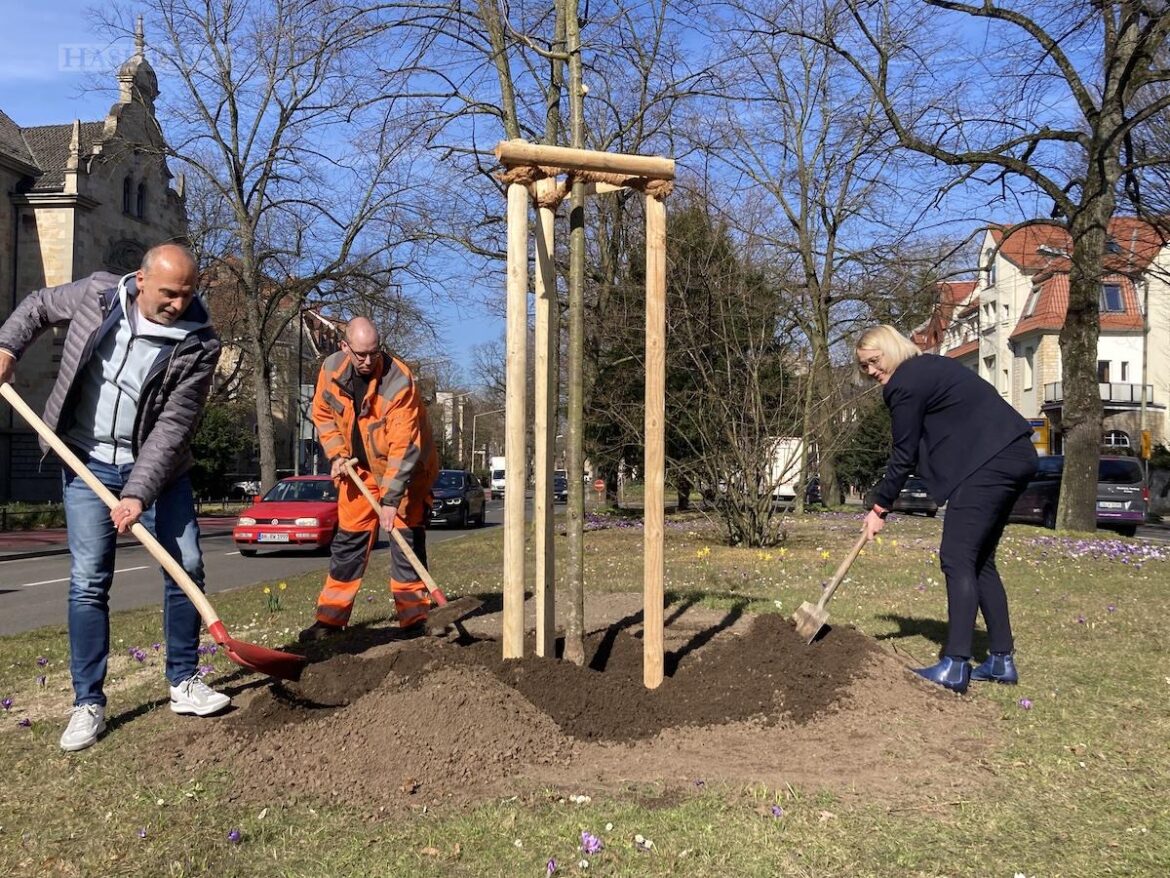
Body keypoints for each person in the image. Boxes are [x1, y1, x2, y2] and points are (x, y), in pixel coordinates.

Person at [0, 243, 230, 751]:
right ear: (141, 281)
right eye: (169, 293)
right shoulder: (98, 295)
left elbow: (173, 428)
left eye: (188, 294)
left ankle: (184, 680)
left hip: (160, 469)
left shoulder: (200, 344)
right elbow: (38, 304)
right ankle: (88, 703)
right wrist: (8, 348)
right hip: (85, 458)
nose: (178, 304)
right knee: (87, 580)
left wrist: (136, 494)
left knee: (186, 563)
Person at [857, 325, 1038, 693]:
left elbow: (904, 454)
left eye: (875, 361)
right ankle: (1001, 660)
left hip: (990, 462)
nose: (872, 371)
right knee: (979, 559)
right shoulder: (932, 367)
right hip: (1017, 454)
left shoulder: (904, 383)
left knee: (956, 558)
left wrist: (879, 508)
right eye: (864, 367)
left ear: (892, 349)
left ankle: (955, 664)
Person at [299, 317, 438, 641]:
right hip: (357, 470)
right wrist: (336, 454)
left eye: (373, 353)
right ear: (344, 347)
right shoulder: (331, 370)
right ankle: (330, 620)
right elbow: (322, 414)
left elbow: (405, 446)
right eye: (360, 354)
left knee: (406, 543)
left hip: (403, 473)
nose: (367, 361)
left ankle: (415, 619)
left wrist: (390, 500)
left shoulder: (398, 382)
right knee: (349, 543)